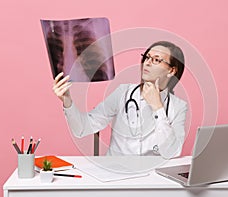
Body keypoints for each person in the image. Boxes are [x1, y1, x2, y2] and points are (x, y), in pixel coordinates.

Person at [53, 41, 188, 159]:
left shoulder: (179, 106)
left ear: (171, 71)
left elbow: (171, 152)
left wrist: (157, 107)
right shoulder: (123, 93)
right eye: (147, 57)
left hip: (151, 177)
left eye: (156, 60)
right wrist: (67, 100)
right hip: (116, 172)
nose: (147, 62)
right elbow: (82, 129)